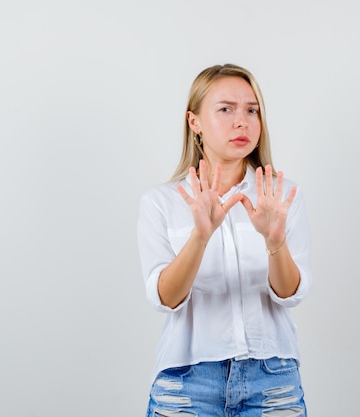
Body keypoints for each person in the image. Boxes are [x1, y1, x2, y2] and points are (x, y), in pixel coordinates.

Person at [137, 64, 312, 417]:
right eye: (225, 109)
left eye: (252, 110)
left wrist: (274, 241)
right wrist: (200, 236)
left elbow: (290, 293)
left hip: (272, 379)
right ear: (194, 122)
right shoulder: (162, 202)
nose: (242, 122)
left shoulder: (283, 196)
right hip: (187, 382)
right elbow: (165, 298)